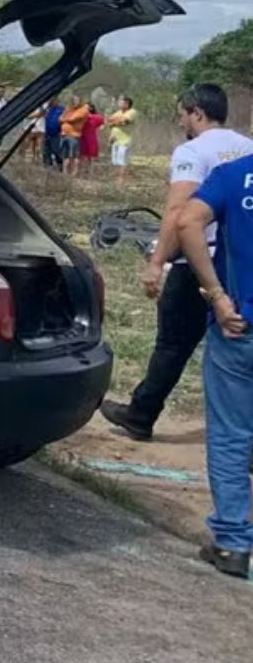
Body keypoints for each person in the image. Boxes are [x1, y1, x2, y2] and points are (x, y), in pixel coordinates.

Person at [102, 84, 253, 441]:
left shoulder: (192, 151)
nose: (181, 120)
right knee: (239, 342)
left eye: (182, 113)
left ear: (196, 113)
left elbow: (178, 210)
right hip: (239, 259)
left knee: (173, 342)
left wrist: (156, 262)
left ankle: (141, 414)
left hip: (199, 259)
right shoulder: (247, 147)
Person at [174, 152, 253, 578]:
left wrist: (216, 295)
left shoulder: (234, 175)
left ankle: (233, 544)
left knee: (230, 434)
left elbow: (187, 222)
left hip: (240, 326)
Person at [107, 95, 139, 182]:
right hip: (115, 140)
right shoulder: (118, 112)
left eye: (121, 102)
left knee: (122, 160)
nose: (119, 103)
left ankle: (121, 179)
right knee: (115, 161)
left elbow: (124, 121)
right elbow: (109, 121)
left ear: (127, 103)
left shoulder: (132, 112)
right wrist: (115, 121)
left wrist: (115, 121)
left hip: (125, 140)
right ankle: (115, 178)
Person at [58, 94, 89, 176]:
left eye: (77, 100)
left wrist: (65, 119)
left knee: (74, 155)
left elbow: (73, 119)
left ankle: (74, 173)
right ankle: (65, 172)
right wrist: (65, 118)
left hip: (74, 135)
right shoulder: (68, 109)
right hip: (64, 134)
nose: (75, 102)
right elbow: (60, 118)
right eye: (73, 100)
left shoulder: (83, 110)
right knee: (65, 155)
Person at [78, 101, 105, 176]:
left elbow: (102, 125)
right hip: (82, 137)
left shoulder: (97, 117)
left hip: (91, 137)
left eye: (86, 107)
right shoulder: (82, 116)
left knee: (91, 156)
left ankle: (91, 172)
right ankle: (82, 171)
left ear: (91, 108)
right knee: (82, 155)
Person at [43, 96, 66, 168]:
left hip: (56, 134)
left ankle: (60, 166)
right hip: (47, 134)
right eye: (50, 100)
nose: (51, 101)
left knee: (56, 151)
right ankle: (47, 166)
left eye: (53, 100)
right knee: (46, 152)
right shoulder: (47, 109)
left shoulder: (61, 109)